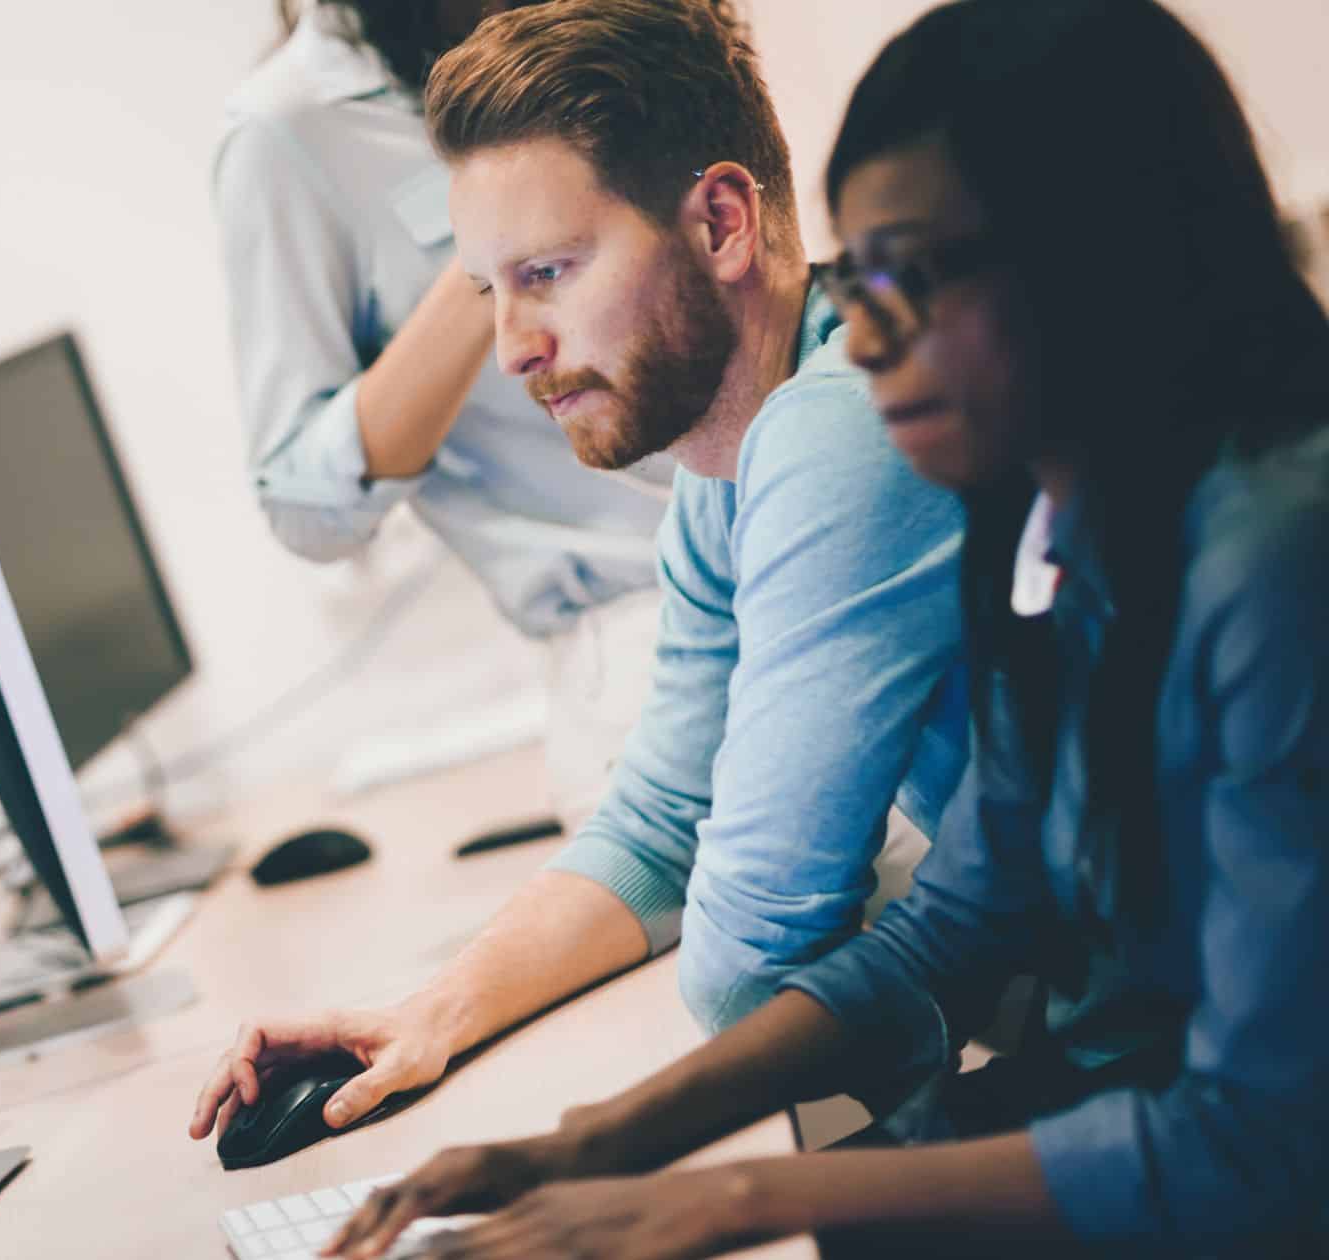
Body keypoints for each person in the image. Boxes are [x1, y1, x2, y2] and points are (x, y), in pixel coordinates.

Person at [324, 2, 1329, 1255]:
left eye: (919, 270)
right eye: (863, 270)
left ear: (1097, 263)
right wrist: (596, 1139)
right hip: (1147, 1114)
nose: (863, 330)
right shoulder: (1046, 529)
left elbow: (1260, 1145)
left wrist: (733, 1197)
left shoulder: (1274, 561)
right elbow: (965, 921)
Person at [190, 0, 970, 1148]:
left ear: (718, 224)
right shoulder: (720, 477)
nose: (508, 350)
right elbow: (658, 825)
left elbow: (747, 960)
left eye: (546, 273)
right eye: (488, 289)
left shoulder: (838, 433)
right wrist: (431, 1012)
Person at [216, 1, 674, 823]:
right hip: (640, 638)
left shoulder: (613, 22)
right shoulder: (286, 132)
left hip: (793, 545)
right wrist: (495, 252)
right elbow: (303, 503)